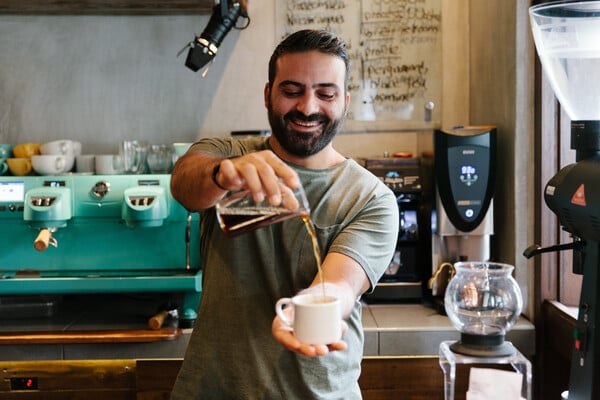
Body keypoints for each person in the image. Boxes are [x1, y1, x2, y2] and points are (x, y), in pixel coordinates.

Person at [170, 29, 399, 400]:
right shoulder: (228, 153)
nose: (308, 108)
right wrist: (222, 174)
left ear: (345, 101)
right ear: (267, 94)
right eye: (292, 91)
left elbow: (340, 284)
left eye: (326, 93)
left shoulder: (370, 197)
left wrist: (306, 312)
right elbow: (184, 185)